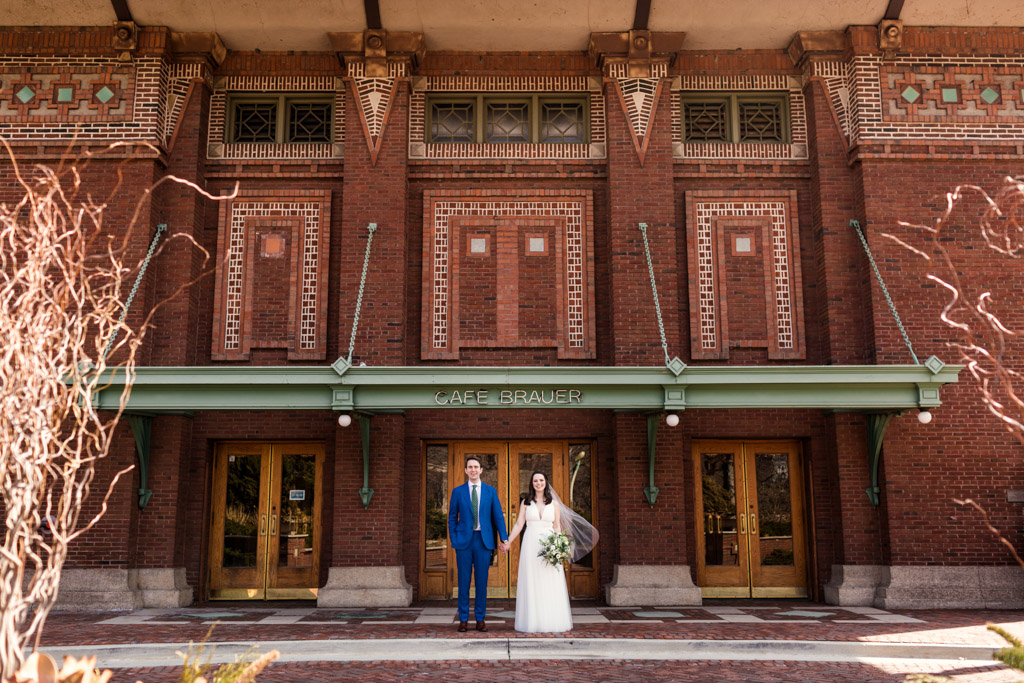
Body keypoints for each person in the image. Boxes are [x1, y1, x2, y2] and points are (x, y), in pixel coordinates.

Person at [506, 470, 576, 633]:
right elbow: (519, 525)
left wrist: (560, 547)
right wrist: (508, 541)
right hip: (530, 545)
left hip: (549, 545)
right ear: (532, 483)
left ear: (546, 482)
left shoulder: (554, 504)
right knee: (532, 581)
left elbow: (557, 527)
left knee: (549, 582)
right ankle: (532, 621)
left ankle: (551, 620)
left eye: (541, 480)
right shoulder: (526, 502)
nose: (538, 483)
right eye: (535, 481)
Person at [448, 455, 510, 633]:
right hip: (464, 542)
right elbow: (452, 517)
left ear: (481, 470)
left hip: (484, 541)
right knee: (464, 581)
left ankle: (481, 619)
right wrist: (454, 538)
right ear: (466, 470)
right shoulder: (458, 492)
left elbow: (498, 516)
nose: (473, 470)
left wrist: (504, 538)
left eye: (476, 467)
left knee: (481, 582)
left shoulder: (490, 491)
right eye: (470, 467)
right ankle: (464, 619)